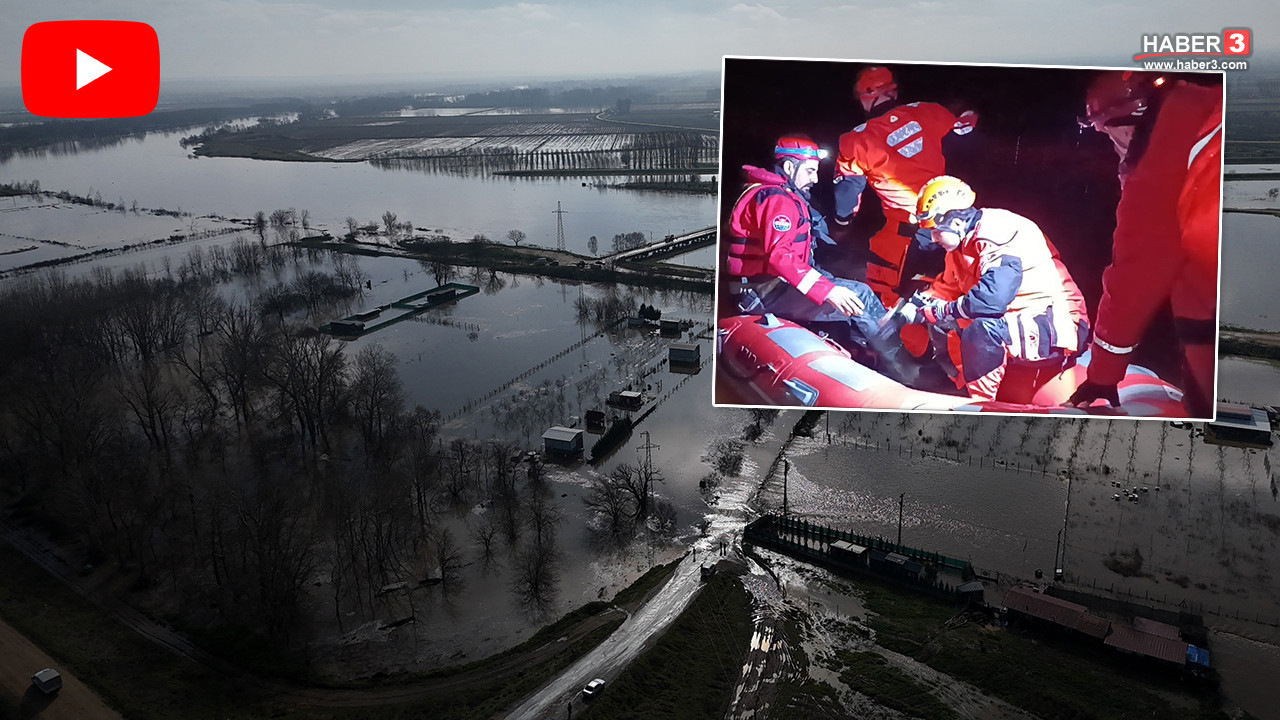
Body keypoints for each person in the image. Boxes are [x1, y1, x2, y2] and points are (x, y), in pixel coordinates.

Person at [1068, 71, 1222, 418]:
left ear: (1133, 118)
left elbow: (1138, 269)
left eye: (1109, 134)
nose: (1115, 147)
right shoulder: (1218, 117)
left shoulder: (1169, 143)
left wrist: (1103, 376)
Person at [725, 136, 913, 380]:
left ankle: (866, 356)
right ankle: (905, 370)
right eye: (810, 170)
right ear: (790, 167)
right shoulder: (777, 199)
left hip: (770, 284)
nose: (815, 179)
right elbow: (780, 256)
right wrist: (828, 291)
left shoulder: (776, 193)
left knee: (853, 286)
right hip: (763, 291)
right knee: (861, 297)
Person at [903, 175, 1089, 402]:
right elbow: (947, 287)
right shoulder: (961, 248)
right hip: (1023, 318)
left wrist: (943, 310)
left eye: (935, 229)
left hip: (1059, 324)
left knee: (981, 329)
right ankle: (962, 388)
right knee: (943, 324)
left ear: (956, 222)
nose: (932, 238)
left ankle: (981, 406)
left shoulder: (999, 231)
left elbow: (992, 299)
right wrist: (913, 307)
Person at [833, 66, 978, 354]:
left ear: (868, 96)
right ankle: (960, 355)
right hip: (957, 225)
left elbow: (848, 192)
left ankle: (899, 362)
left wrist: (841, 222)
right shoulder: (927, 111)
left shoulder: (857, 140)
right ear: (894, 90)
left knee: (888, 297)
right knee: (955, 288)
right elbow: (966, 127)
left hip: (905, 233)